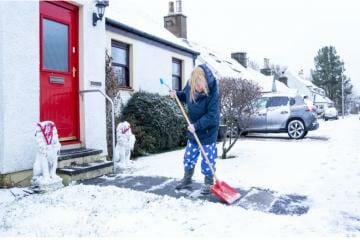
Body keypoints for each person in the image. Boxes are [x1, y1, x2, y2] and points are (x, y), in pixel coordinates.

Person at [169, 64, 220, 194]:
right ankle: (187, 179)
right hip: (193, 129)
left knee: (208, 158)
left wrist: (196, 126)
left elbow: (212, 116)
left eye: (200, 85)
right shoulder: (191, 85)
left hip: (208, 132)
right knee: (189, 156)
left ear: (205, 82)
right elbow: (185, 96)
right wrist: (177, 95)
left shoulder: (213, 91)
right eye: (195, 85)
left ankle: (209, 183)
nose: (198, 88)